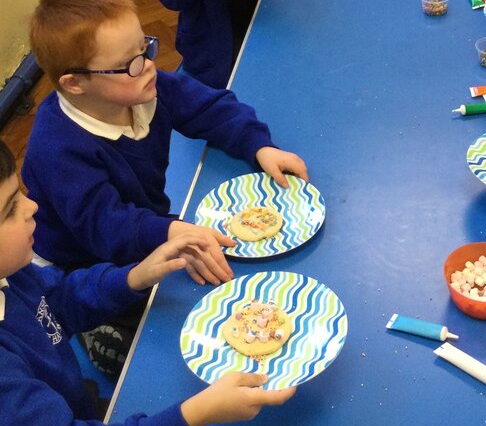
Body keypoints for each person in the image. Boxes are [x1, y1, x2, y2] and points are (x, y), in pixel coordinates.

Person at [0, 139, 295, 425]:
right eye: (9, 209)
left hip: (68, 401)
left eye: (20, 195)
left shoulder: (11, 273)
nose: (32, 206)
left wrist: (134, 276)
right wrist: (196, 413)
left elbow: (58, 300)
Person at [23, 0, 308, 278]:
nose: (148, 66)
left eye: (144, 49)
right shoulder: (57, 150)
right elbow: (108, 229)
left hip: (142, 225)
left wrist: (259, 145)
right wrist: (172, 232)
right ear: (75, 84)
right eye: (130, 63)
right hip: (78, 266)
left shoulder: (143, 86)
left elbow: (208, 107)